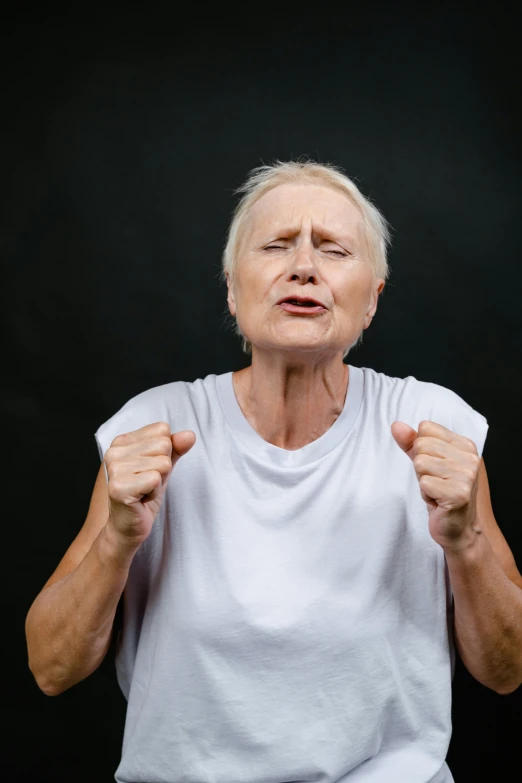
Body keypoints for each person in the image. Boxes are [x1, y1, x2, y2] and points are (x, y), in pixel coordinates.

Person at [25, 160, 522, 783]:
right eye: (276, 245)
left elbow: (507, 671)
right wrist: (118, 540)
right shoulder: (154, 424)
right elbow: (50, 668)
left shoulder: (433, 424)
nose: (304, 267)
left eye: (335, 249)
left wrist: (465, 541)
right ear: (233, 289)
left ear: (372, 299)